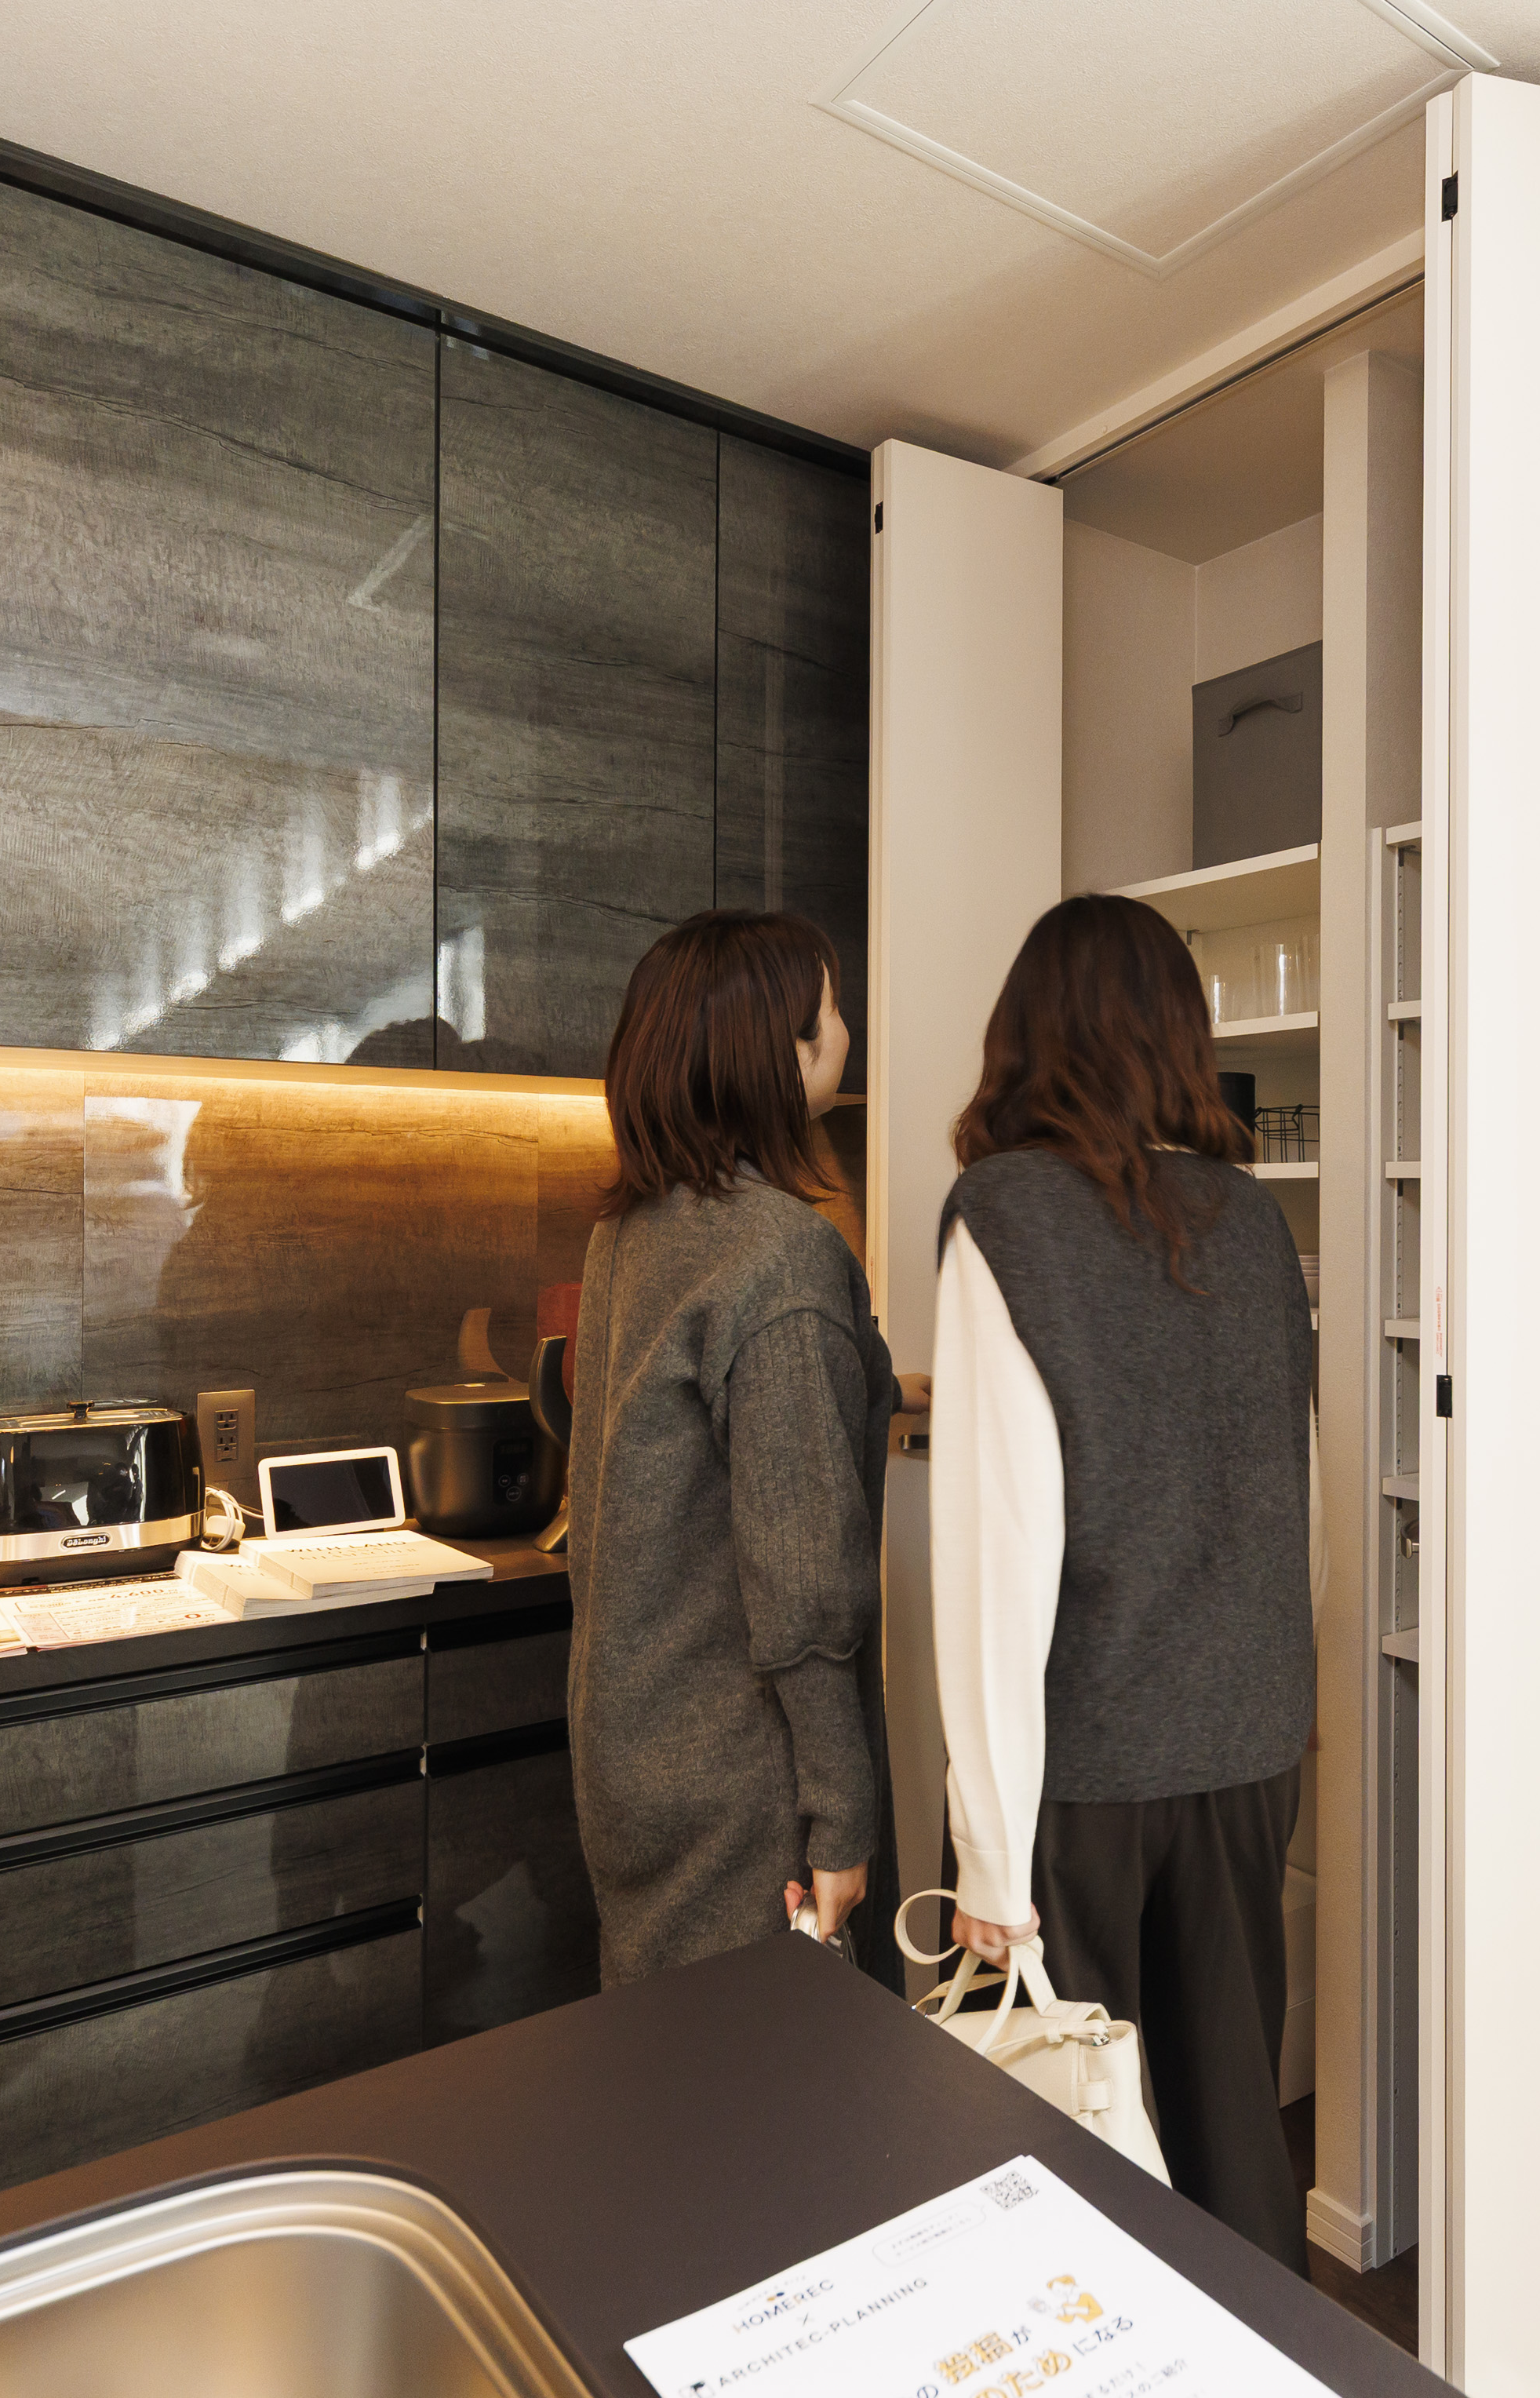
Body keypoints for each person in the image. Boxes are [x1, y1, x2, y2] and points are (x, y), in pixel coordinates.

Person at [930, 892, 1320, 2269]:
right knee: (1233, 2129)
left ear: (1028, 1031)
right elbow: (1294, 1486)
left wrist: (989, 1849)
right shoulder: (1254, 1221)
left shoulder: (1006, 1213)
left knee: (1059, 2145)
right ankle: (1268, 2349)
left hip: (1085, 1766)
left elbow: (1000, 1546)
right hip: (1248, 1744)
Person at [562, 909, 905, 1988]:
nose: (846, 1031)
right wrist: (840, 1814)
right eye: (830, 1011)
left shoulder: (630, 1231)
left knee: (667, 2065)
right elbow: (803, 1585)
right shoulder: (781, 1255)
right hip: (745, 1777)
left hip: (631, 1748)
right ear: (778, 1051)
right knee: (776, 2073)